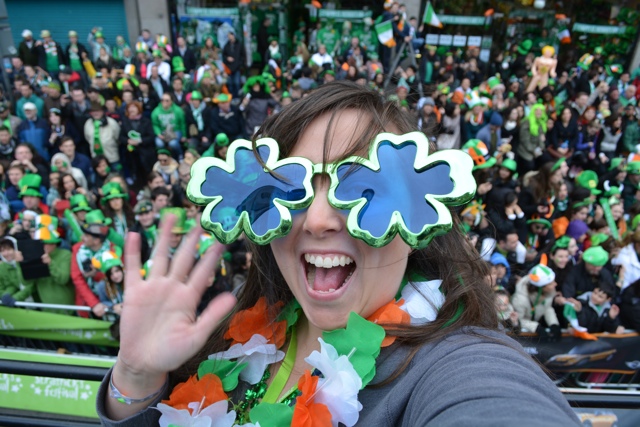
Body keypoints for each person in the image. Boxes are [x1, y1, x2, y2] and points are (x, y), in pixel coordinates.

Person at [97, 81, 578, 426]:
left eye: (365, 188)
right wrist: (136, 381)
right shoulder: (233, 338)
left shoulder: (459, 367)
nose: (320, 219)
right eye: (291, 188)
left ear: (419, 219)